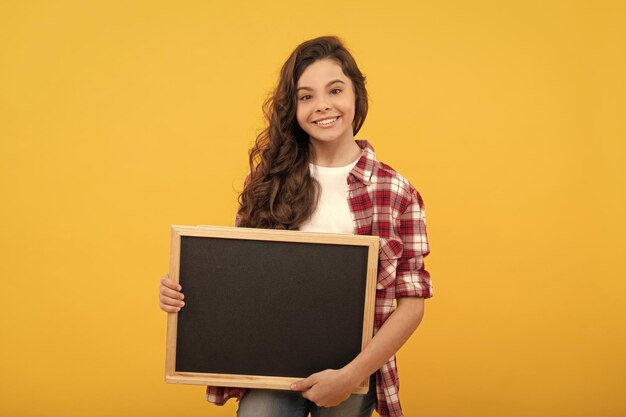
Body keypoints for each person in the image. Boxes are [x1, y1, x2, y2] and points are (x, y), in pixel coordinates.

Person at [159, 35, 433, 417]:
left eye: (334, 90)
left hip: (353, 369)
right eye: (306, 96)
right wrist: (183, 292)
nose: (322, 105)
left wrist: (350, 374)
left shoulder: (397, 191)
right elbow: (236, 273)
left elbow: (412, 305)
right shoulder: (268, 180)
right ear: (294, 107)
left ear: (356, 94)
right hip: (272, 368)